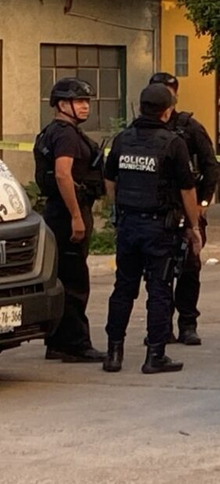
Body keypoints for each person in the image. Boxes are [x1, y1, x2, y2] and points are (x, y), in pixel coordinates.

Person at [102, 84, 203, 374]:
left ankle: (114, 354)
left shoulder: (123, 140)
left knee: (123, 288)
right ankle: (155, 356)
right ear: (167, 111)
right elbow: (187, 190)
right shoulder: (172, 143)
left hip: (128, 225)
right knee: (159, 291)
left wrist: (120, 208)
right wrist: (193, 226)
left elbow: (110, 180)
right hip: (159, 228)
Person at [34, 78, 106, 363]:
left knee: (61, 277)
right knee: (75, 281)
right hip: (68, 213)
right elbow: (63, 174)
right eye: (79, 101)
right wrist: (77, 216)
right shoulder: (65, 135)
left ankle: (57, 343)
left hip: (57, 211)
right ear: (62, 105)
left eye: (87, 101)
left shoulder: (52, 132)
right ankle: (76, 344)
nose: (85, 106)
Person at [147, 72, 219, 346]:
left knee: (189, 268)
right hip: (157, 212)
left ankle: (188, 323)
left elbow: (211, 166)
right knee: (158, 273)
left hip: (188, 211)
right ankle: (160, 327)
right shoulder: (143, 128)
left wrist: (202, 205)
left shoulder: (189, 127)